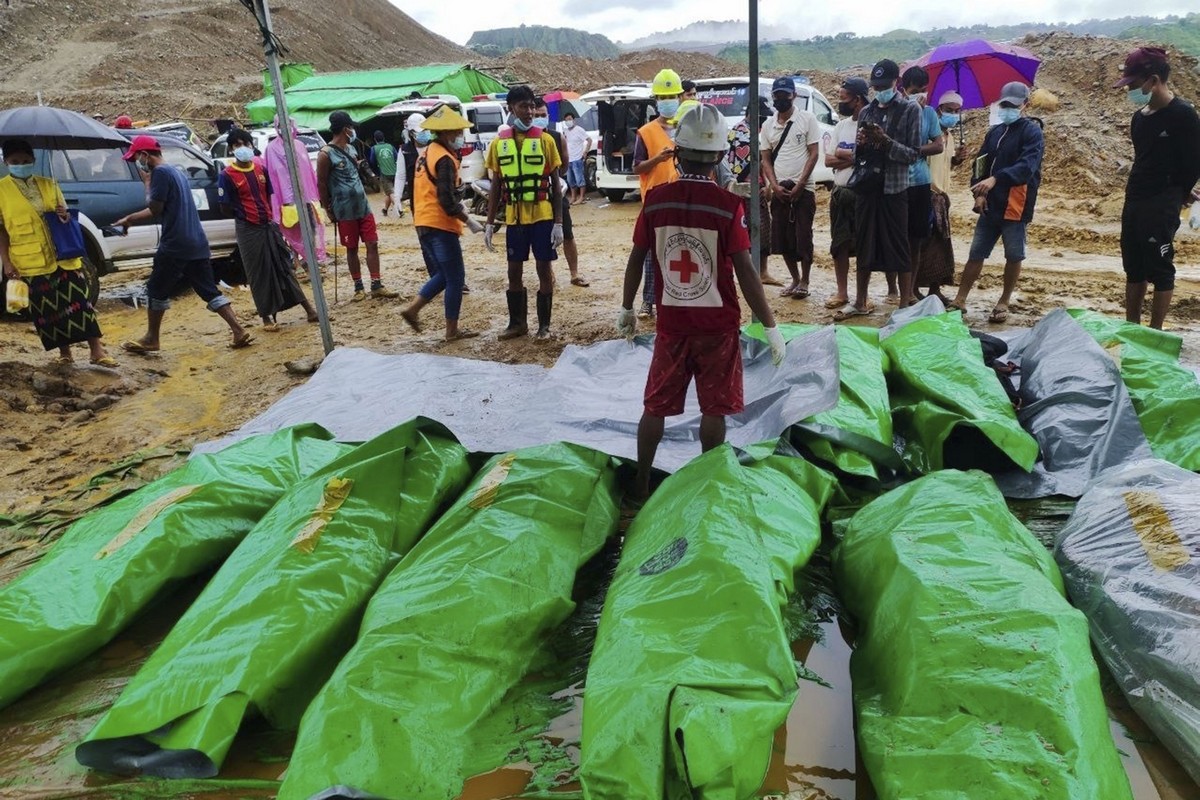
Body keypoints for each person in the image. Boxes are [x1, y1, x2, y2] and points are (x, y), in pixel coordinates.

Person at [615, 104, 786, 502]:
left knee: (654, 406)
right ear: (720, 158)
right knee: (715, 408)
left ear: (677, 152)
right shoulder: (728, 208)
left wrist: (627, 307)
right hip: (718, 328)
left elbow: (637, 258)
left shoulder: (655, 201)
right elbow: (746, 272)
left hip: (672, 326)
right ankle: (709, 486)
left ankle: (640, 487)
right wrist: (771, 326)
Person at [114, 135, 252, 352]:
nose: (136, 163)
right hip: (196, 241)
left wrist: (132, 213)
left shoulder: (159, 173)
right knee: (207, 289)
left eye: (136, 158)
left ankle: (152, 338)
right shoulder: (175, 171)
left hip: (175, 243)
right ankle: (238, 330)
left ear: (144, 155)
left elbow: (154, 208)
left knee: (156, 288)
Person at [0, 139, 115, 367]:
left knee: (80, 303)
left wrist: (64, 214)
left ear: (33, 160)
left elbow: (65, 219)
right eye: (15, 161)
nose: (21, 164)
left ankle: (97, 351)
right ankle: (65, 354)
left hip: (63, 258)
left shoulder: (49, 184)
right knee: (49, 310)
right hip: (30, 261)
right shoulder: (1, 190)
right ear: (6, 162)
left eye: (25, 161)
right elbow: (1, 230)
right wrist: (6, 262)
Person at [1115, 46, 1200, 330]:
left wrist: (1179, 193)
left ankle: (1155, 332)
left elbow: (1192, 163)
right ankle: (1133, 328)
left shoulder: (1184, 115)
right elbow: (1144, 158)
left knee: (1160, 267)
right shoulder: (1139, 118)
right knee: (1133, 267)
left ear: (1153, 80)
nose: (1132, 89)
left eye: (1135, 83)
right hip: (1135, 198)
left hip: (1162, 202)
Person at [948, 81, 1044, 324]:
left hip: (1016, 203)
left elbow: (1026, 167)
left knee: (1013, 254)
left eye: (1013, 105)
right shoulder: (995, 133)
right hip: (989, 205)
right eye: (1004, 104)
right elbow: (980, 163)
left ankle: (1003, 300)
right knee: (976, 252)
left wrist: (996, 178)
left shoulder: (1032, 132)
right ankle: (960, 299)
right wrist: (978, 191)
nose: (1008, 109)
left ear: (1025, 104)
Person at [835, 59, 922, 321]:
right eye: (876, 86)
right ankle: (860, 301)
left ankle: (904, 304)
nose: (880, 91)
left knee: (898, 246)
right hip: (867, 188)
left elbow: (913, 154)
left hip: (894, 188)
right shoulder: (867, 112)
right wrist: (862, 143)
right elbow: (859, 154)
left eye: (884, 86)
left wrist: (884, 142)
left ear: (896, 83)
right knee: (864, 244)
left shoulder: (910, 110)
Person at [217, 128, 318, 332]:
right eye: (237, 145)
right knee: (258, 273)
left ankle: (308, 309)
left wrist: (271, 219)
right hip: (248, 230)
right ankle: (266, 318)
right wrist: (245, 216)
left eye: (245, 144)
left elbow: (270, 196)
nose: (242, 148)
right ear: (231, 149)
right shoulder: (227, 175)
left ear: (251, 146)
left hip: (268, 225)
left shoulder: (260, 170)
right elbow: (225, 206)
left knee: (284, 266)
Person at [483, 85, 563, 339]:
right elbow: (496, 185)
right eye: (523, 107)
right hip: (514, 219)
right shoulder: (499, 143)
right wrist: (488, 223)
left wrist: (559, 222)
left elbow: (555, 185)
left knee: (543, 269)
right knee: (513, 271)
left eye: (531, 106)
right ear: (511, 109)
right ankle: (517, 324)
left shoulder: (546, 140)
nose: (529, 112)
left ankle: (544, 326)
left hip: (542, 216)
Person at [399, 104, 485, 341]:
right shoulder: (444, 158)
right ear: (448, 132)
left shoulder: (427, 152)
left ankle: (413, 309)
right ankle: (450, 331)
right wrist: (468, 220)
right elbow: (446, 200)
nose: (460, 136)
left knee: (443, 275)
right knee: (456, 278)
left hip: (424, 222)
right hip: (439, 224)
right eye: (458, 132)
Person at [316, 110, 400, 302]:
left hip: (363, 206)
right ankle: (358, 287)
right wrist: (328, 209)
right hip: (344, 210)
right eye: (351, 127)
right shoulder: (325, 155)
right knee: (352, 248)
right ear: (346, 129)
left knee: (372, 243)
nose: (353, 131)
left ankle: (376, 284)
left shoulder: (352, 150)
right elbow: (321, 183)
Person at [761, 75, 822, 299]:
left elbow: (814, 153)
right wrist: (774, 186)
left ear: (793, 96)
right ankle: (794, 279)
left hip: (803, 189)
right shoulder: (768, 125)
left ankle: (805, 280)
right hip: (780, 190)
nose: (781, 99)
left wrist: (801, 183)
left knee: (803, 236)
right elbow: (765, 158)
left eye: (785, 95)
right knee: (782, 237)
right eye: (777, 95)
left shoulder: (807, 119)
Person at [632, 67, 685, 318]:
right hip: (655, 200)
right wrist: (658, 159)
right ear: (656, 100)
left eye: (671, 97)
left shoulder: (688, 127)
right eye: (663, 98)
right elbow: (637, 166)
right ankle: (648, 302)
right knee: (651, 254)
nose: (667, 102)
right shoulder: (646, 132)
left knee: (681, 253)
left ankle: (678, 301)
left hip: (685, 199)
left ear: (680, 97)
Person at [900, 66, 945, 306]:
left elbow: (938, 145)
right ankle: (899, 291)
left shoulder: (928, 113)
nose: (920, 94)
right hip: (897, 184)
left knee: (916, 239)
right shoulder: (897, 111)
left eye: (924, 90)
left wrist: (914, 150)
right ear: (904, 90)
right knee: (899, 239)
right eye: (915, 90)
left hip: (920, 182)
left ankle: (910, 290)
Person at [915, 90, 964, 304]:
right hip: (926, 193)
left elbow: (944, 164)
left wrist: (957, 160)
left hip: (942, 196)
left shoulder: (950, 137)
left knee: (940, 246)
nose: (952, 115)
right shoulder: (929, 134)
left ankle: (934, 289)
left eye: (956, 111)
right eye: (948, 110)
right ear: (939, 110)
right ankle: (913, 288)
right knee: (922, 244)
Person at [535, 96, 589, 288]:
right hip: (536, 196)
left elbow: (564, 167)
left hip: (555, 192)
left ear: (548, 115)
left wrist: (554, 176)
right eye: (536, 115)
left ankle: (574, 273)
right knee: (542, 236)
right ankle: (548, 273)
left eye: (543, 115)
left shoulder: (557, 137)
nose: (539, 118)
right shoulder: (526, 140)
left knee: (567, 233)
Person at [824, 77, 868, 310]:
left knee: (865, 246)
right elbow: (828, 159)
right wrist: (854, 158)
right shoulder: (841, 126)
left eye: (843, 98)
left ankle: (863, 296)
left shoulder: (871, 124)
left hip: (863, 195)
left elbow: (870, 160)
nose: (840, 103)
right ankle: (842, 293)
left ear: (857, 99)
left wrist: (845, 156)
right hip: (840, 192)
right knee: (839, 244)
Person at [726, 95, 780, 287]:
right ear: (750, 114)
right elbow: (747, 163)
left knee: (762, 229)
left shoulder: (755, 131)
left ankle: (761, 271)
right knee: (747, 231)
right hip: (744, 188)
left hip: (752, 187)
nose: (764, 120)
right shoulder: (740, 132)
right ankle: (753, 272)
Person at [264, 115, 328, 272]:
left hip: (306, 197)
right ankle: (296, 262)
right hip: (286, 201)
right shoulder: (271, 149)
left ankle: (310, 259)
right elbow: (272, 176)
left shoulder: (299, 146)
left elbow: (308, 172)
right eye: (282, 125)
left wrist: (314, 194)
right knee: (292, 232)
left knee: (310, 228)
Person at [560, 110, 592, 206]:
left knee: (580, 179)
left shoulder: (579, 130)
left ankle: (581, 197)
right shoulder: (565, 131)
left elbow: (589, 140)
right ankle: (573, 197)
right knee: (570, 180)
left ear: (574, 120)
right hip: (569, 159)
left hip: (577, 158)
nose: (568, 121)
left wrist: (585, 152)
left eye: (569, 119)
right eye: (566, 120)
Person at [368, 130, 400, 218]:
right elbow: (397, 157)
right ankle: (385, 210)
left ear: (375, 139)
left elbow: (372, 161)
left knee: (390, 192)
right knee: (388, 192)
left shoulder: (374, 148)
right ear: (384, 138)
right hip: (395, 171)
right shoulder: (391, 146)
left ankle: (399, 209)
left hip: (384, 173)